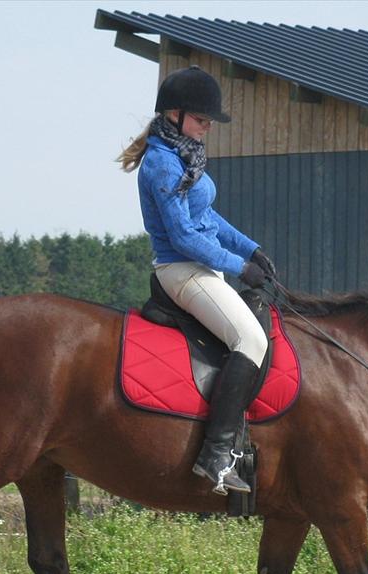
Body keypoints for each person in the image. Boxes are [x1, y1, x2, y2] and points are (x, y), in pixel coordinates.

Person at [118, 65, 278, 495]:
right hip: (181, 270)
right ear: (175, 114)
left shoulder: (185, 155)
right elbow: (184, 237)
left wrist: (251, 249)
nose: (208, 127)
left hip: (202, 268)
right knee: (251, 340)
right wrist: (240, 267)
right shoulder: (162, 163)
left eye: (209, 121)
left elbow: (207, 217)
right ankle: (216, 456)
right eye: (202, 119)